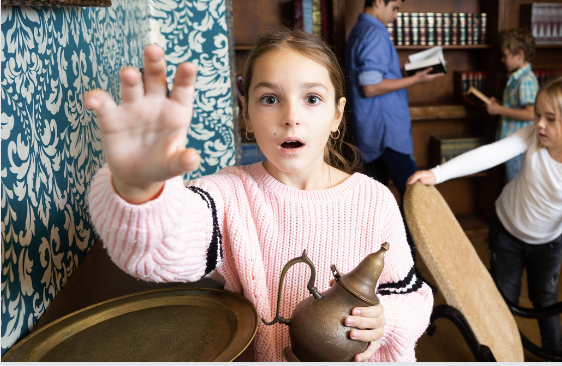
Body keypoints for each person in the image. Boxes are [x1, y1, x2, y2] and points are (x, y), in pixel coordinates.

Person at [84, 28, 433, 362]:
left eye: (312, 98)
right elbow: (163, 245)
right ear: (247, 115)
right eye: (270, 99)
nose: (291, 117)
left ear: (336, 115)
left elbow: (411, 296)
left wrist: (385, 320)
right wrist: (142, 192)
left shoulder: (375, 200)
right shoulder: (228, 196)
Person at [408, 75, 562, 354]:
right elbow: (492, 153)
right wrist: (438, 173)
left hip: (547, 244)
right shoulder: (533, 136)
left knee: (546, 301)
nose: (539, 123)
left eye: (550, 119)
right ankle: (501, 351)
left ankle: (554, 355)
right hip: (506, 232)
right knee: (503, 297)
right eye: (538, 115)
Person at [344, 0, 443, 245]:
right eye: (395, 7)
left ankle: (387, 265)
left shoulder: (358, 30)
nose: (396, 15)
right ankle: (411, 263)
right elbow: (370, 86)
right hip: (387, 133)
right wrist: (416, 79)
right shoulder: (375, 31)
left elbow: (372, 78)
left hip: (370, 131)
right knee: (414, 198)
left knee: (379, 204)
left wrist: (401, 72)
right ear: (379, 1)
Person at [486, 28, 539, 182]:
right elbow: (517, 107)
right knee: (512, 184)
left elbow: (530, 113)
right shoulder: (517, 77)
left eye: (505, 55)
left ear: (519, 55)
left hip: (519, 145)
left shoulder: (526, 80)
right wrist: (501, 105)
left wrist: (499, 110)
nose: (502, 60)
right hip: (512, 144)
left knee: (516, 185)